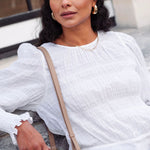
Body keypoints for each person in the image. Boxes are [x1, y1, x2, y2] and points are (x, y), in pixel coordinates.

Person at [0, 0, 150, 149]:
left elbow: (146, 99)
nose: (65, 3)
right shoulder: (41, 62)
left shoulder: (123, 43)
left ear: (93, 2)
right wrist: (18, 127)